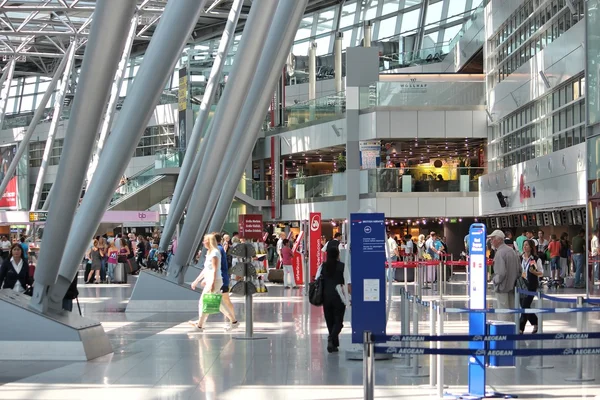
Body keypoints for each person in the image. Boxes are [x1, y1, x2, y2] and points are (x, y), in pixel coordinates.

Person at [316, 247, 351, 353]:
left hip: (326, 297)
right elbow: (348, 284)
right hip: (339, 297)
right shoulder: (343, 267)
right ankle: (331, 339)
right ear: (337, 255)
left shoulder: (322, 266)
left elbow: (317, 279)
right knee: (338, 322)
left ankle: (333, 344)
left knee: (330, 321)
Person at [190, 234, 229, 331]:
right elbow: (207, 269)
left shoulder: (215, 252)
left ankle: (200, 325)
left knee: (204, 302)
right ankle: (233, 321)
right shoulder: (210, 252)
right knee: (218, 303)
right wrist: (197, 280)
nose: (203, 243)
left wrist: (211, 282)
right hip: (212, 280)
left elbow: (215, 269)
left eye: (205, 241)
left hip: (215, 280)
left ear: (209, 241)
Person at [488, 230, 520, 322]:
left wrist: (494, 280)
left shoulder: (500, 253)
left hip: (502, 288)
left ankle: (505, 333)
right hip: (513, 287)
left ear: (499, 240)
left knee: (503, 312)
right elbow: (519, 270)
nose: (491, 241)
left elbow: (501, 273)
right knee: (513, 310)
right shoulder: (512, 251)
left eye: (493, 239)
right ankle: (514, 331)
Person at [214, 233, 238, 330]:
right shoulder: (220, 248)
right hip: (223, 278)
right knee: (225, 300)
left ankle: (233, 320)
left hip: (221, 278)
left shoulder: (218, 250)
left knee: (223, 301)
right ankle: (233, 320)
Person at [519, 239, 543, 334]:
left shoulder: (535, 259)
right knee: (525, 306)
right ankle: (536, 322)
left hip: (531, 285)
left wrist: (534, 272)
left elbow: (541, 273)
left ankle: (520, 328)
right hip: (521, 284)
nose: (524, 247)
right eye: (524, 245)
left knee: (524, 306)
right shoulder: (520, 258)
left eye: (527, 245)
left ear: (531, 247)